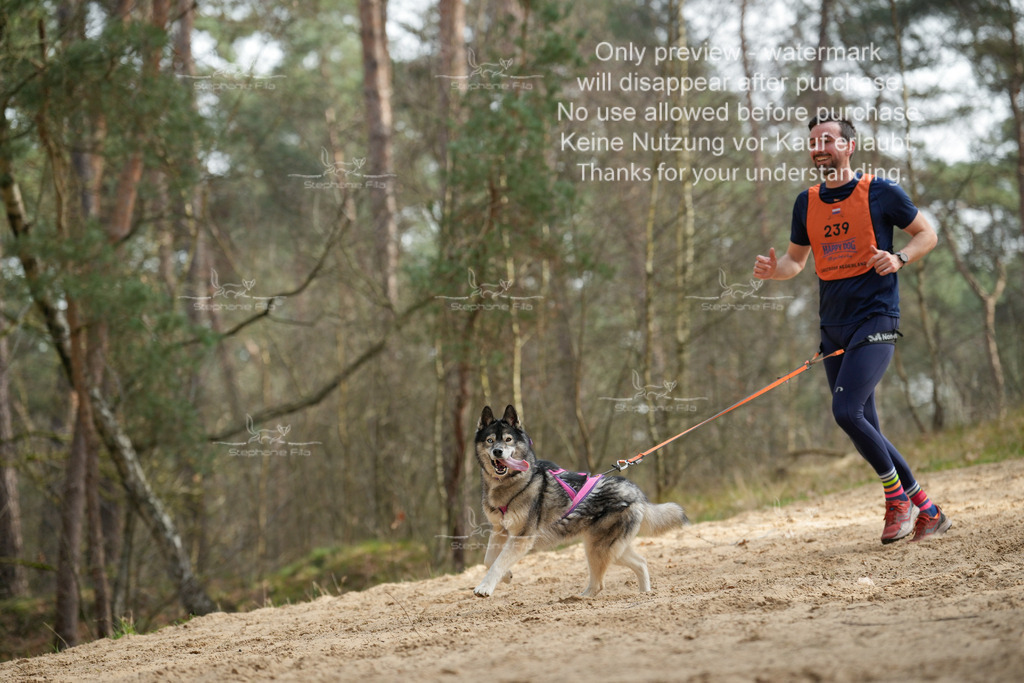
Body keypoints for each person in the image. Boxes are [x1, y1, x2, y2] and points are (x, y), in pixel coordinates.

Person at [753, 114, 951, 544]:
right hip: (833, 328)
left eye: (827, 139)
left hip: (877, 317)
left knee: (846, 412)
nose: (818, 146)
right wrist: (774, 272)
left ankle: (896, 501)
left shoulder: (880, 192)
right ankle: (929, 511)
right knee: (866, 425)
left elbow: (927, 234)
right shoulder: (806, 202)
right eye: (812, 141)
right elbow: (795, 262)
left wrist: (899, 259)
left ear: (848, 146)